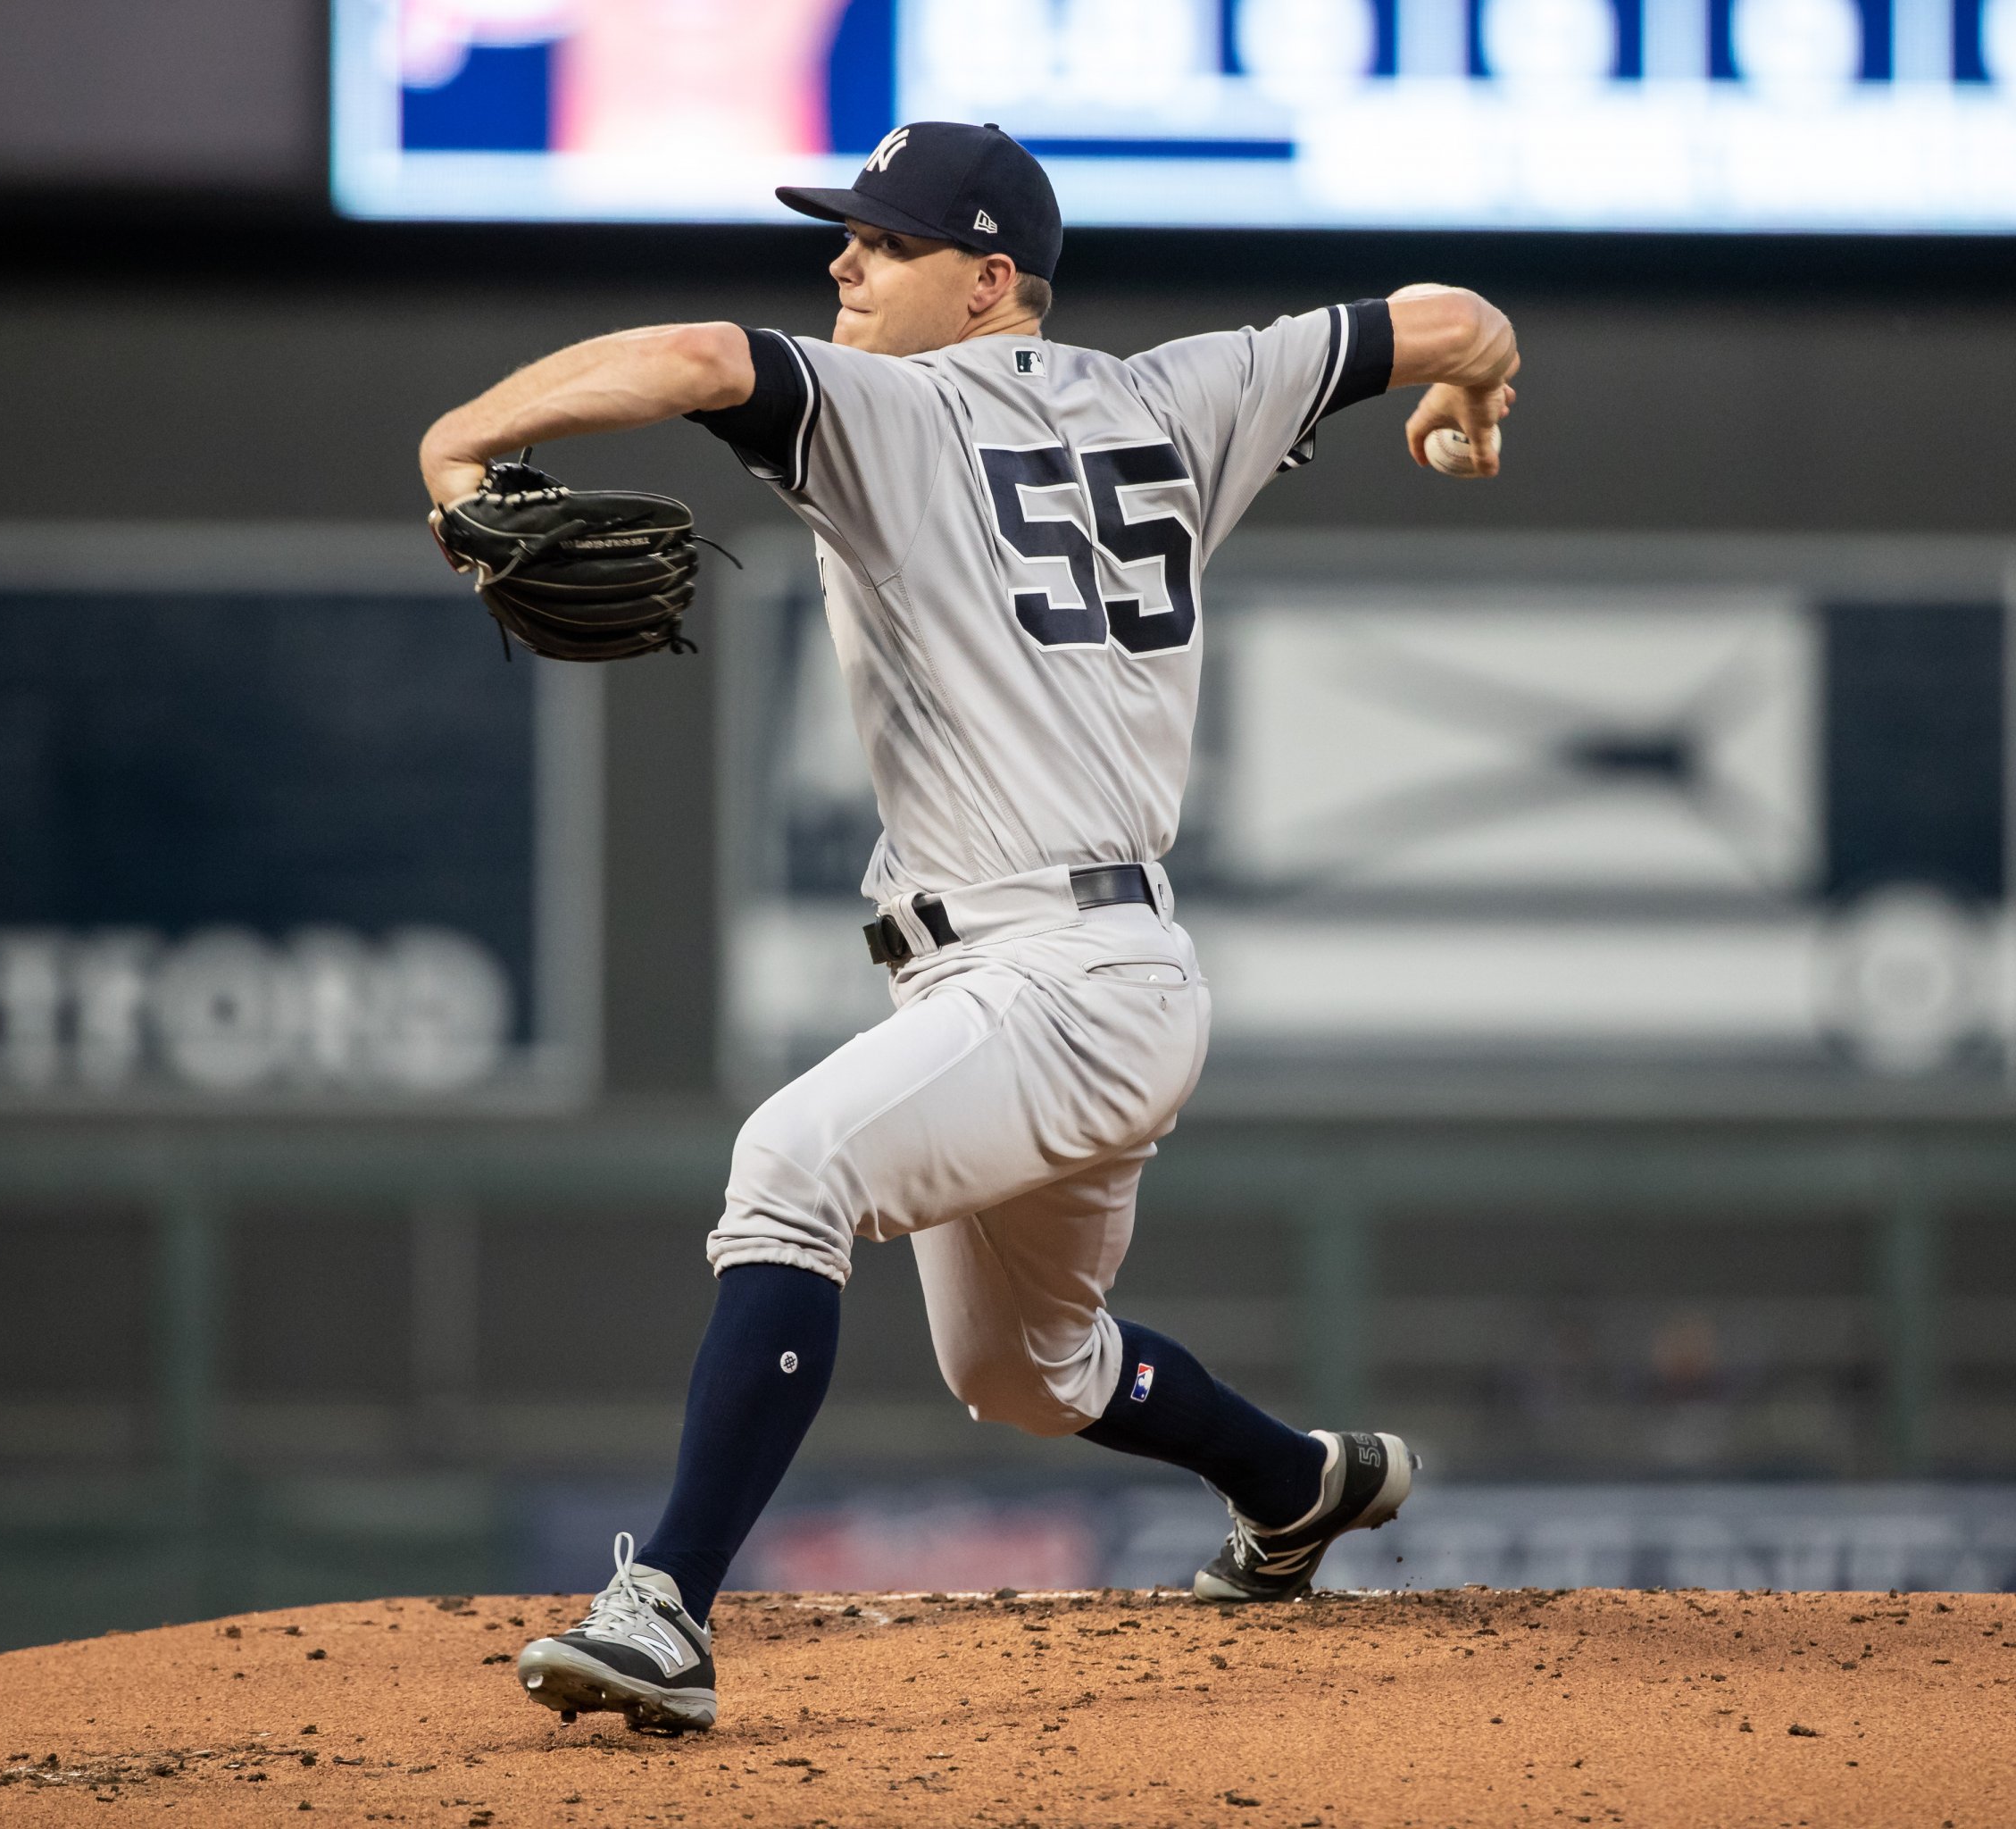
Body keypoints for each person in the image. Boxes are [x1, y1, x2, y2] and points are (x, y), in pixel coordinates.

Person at [418, 120, 1519, 1733]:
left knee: (792, 1168)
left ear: (990, 278)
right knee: (1025, 1376)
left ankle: (665, 1609)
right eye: (846, 236)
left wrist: (455, 442)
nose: (843, 265)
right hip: (1093, 981)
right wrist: (1467, 401)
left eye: (882, 240)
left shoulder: (891, 407)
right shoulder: (1191, 390)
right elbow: (1458, 318)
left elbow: (693, 355)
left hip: (1054, 984)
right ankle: (1301, 1486)